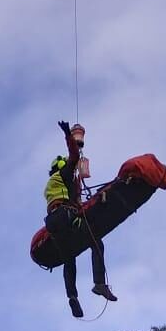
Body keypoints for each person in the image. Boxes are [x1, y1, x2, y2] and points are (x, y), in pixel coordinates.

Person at [44, 120, 116, 317]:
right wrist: (68, 134)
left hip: (53, 223)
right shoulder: (64, 174)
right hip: (65, 216)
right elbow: (75, 156)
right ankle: (99, 283)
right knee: (96, 242)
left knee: (69, 260)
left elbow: (71, 198)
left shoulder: (52, 183)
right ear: (62, 165)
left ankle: (72, 297)